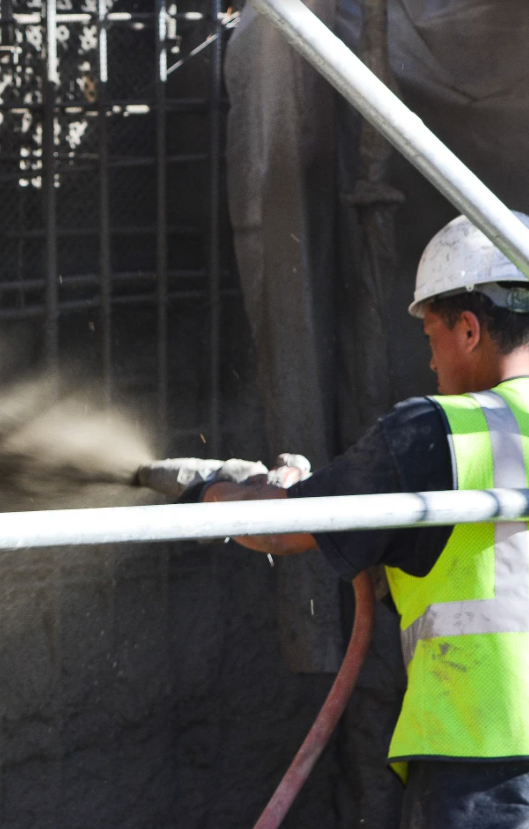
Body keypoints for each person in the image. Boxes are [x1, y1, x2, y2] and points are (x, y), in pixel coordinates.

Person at [200, 212, 529, 829]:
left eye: (430, 338)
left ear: (467, 329)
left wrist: (210, 493)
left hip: (483, 763)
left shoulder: (440, 432)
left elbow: (282, 527)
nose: (430, 365)